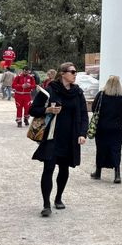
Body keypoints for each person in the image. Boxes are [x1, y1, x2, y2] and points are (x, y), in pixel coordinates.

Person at [29, 62, 88, 216]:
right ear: (62, 73)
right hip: (52, 136)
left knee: (64, 168)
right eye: (73, 72)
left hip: (70, 137)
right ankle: (46, 204)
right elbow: (32, 109)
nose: (75, 74)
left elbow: (83, 116)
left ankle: (58, 198)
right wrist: (48, 109)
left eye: (76, 72)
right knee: (48, 168)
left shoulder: (77, 92)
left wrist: (82, 134)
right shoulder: (50, 90)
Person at [89, 75, 122, 184]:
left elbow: (93, 109)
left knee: (101, 149)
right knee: (116, 150)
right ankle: (117, 174)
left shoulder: (101, 95)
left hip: (102, 128)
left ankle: (98, 172)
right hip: (116, 128)